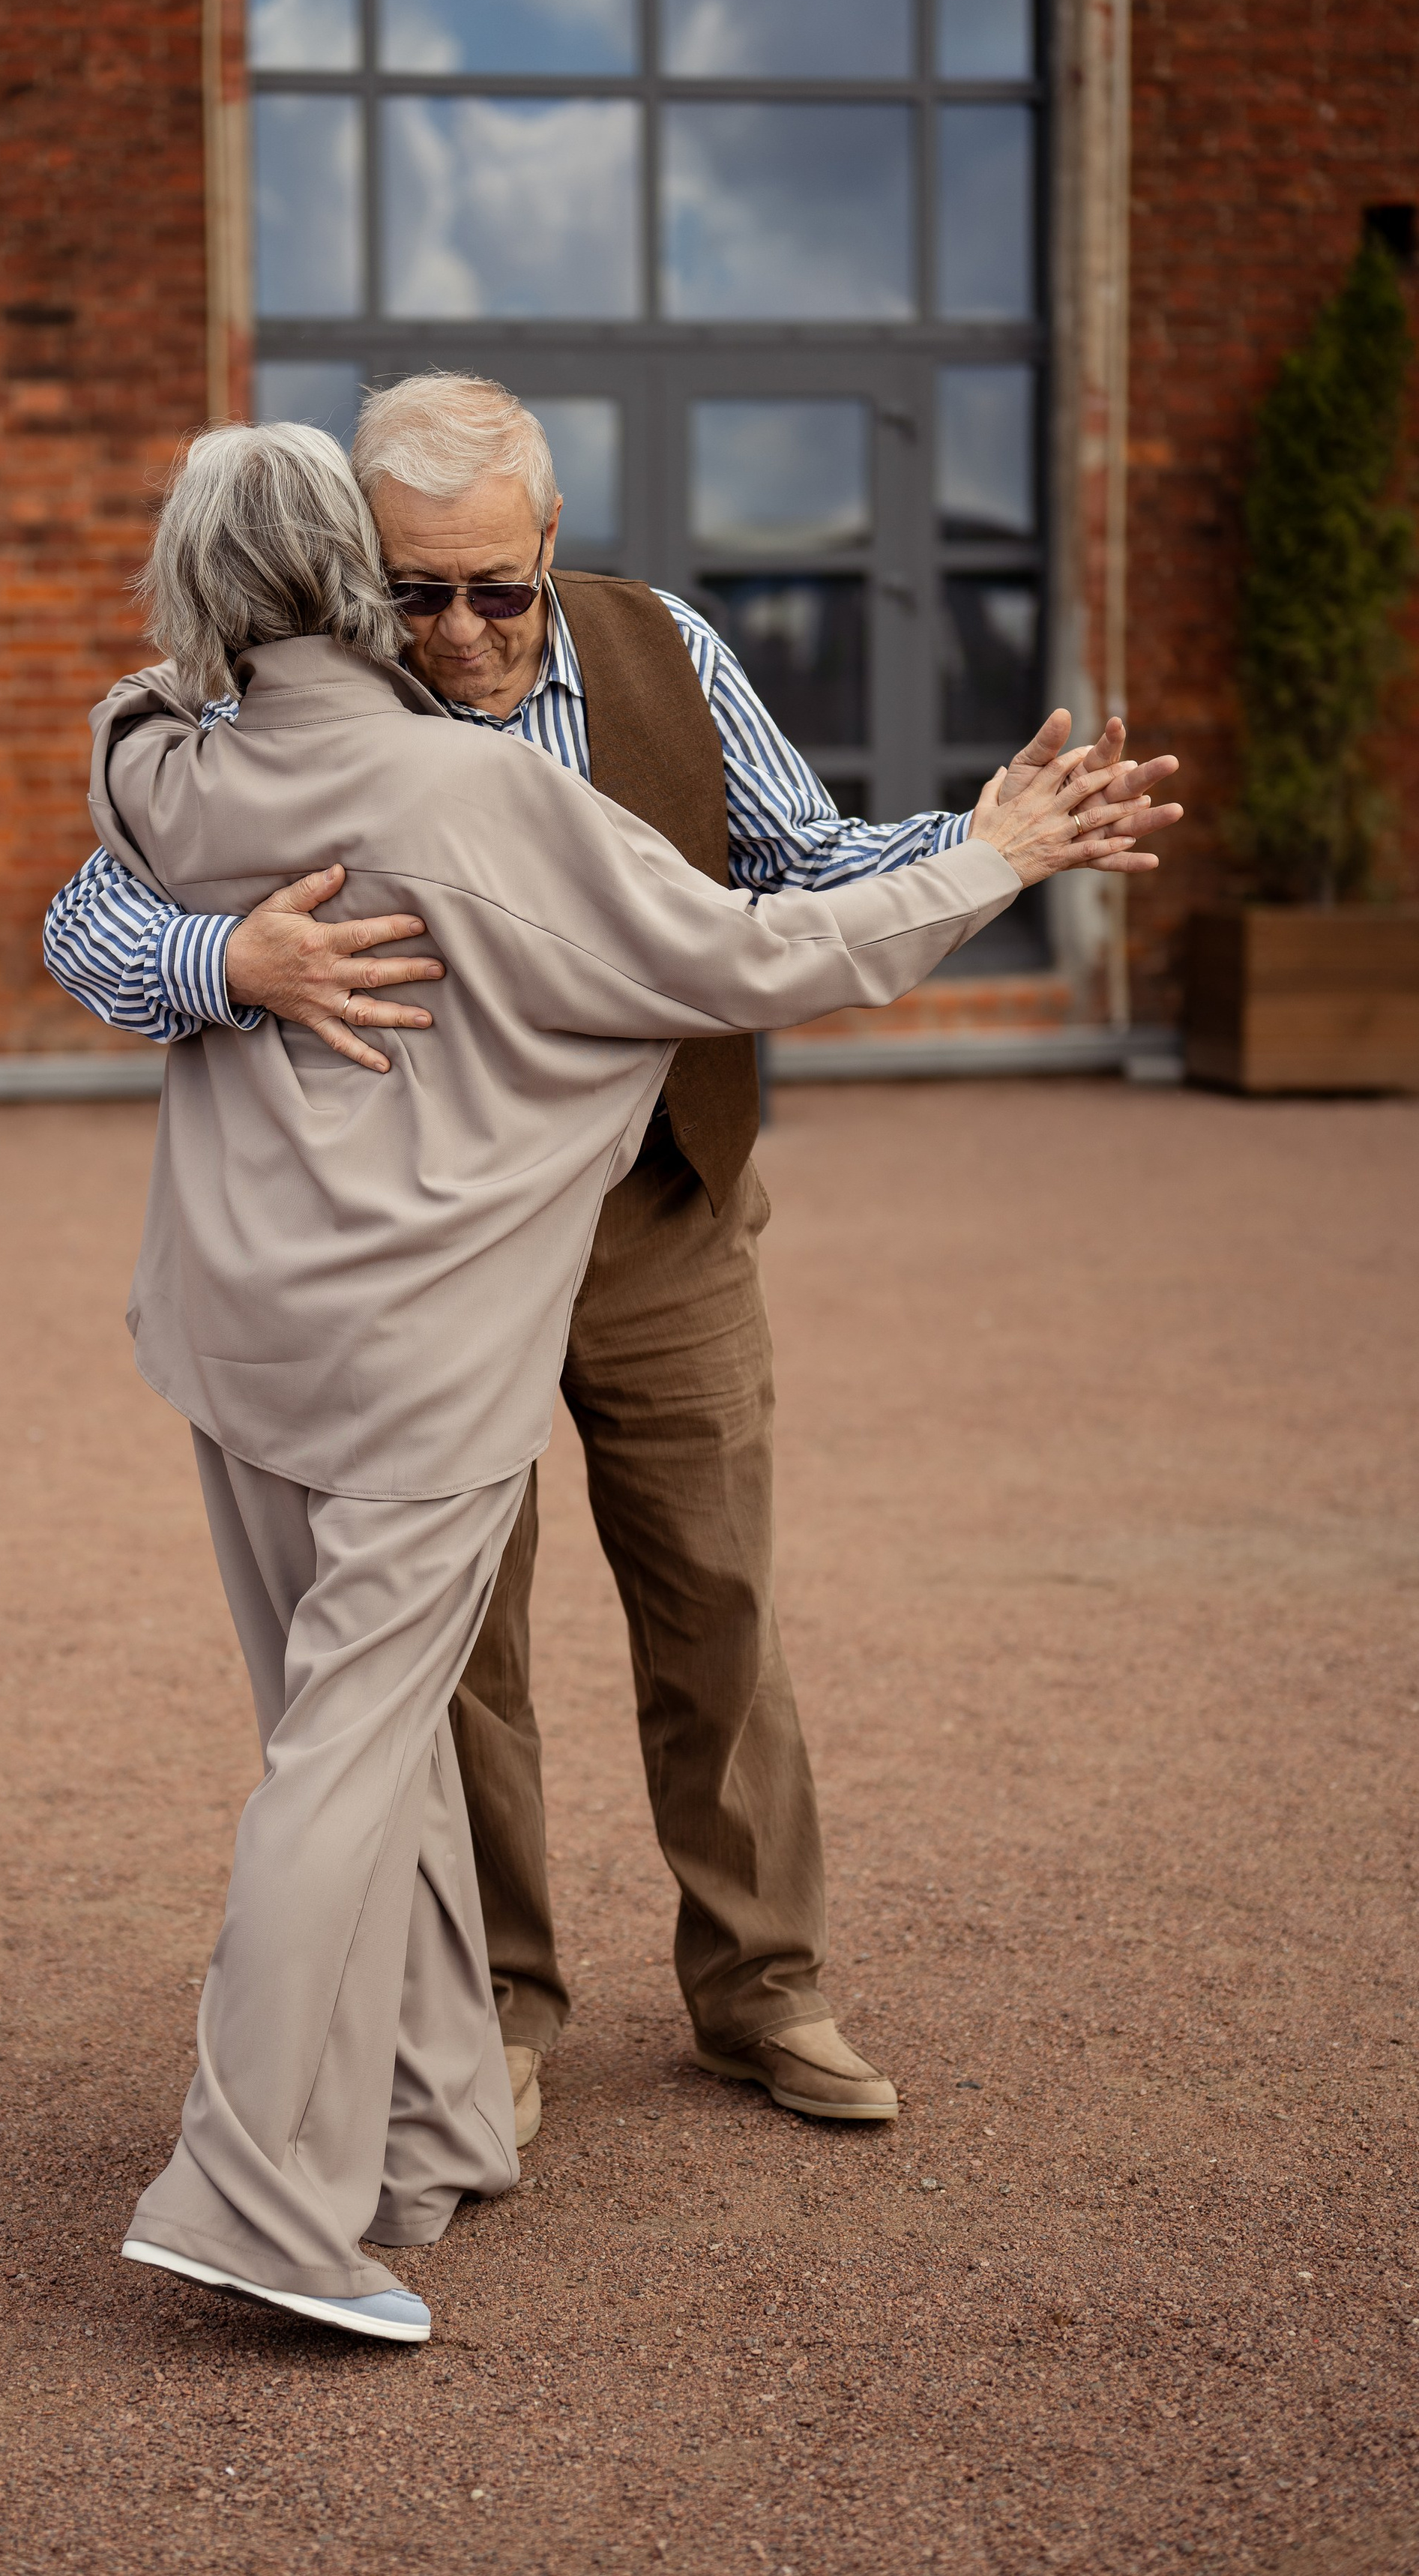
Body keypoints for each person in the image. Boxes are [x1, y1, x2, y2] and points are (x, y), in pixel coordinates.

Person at [88, 422, 1172, 2347]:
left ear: (553, 547)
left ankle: (455, 2109)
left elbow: (806, 861)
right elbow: (753, 950)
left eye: (497, 584)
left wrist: (961, 835)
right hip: (426, 1334)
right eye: (415, 586)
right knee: (376, 1742)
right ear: (355, 575)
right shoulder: (450, 795)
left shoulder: (169, 751)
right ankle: (256, 2186)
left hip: (305, 1310)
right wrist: (1004, 857)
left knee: (665, 1614)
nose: (463, 620)